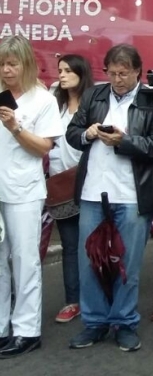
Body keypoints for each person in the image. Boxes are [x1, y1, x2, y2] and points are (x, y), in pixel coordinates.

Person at [67, 44, 153, 353]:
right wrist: (89, 133)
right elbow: (73, 132)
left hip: (132, 192)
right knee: (90, 261)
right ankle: (95, 321)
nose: (117, 79)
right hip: (92, 191)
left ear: (138, 71)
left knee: (128, 264)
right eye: (112, 73)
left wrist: (123, 142)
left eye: (123, 74)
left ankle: (125, 323)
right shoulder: (94, 96)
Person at [0, 36, 65, 358]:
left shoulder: (43, 100)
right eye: (1, 64)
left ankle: (27, 330)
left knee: (24, 260)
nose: (6, 70)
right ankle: (1, 327)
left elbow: (44, 147)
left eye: (12, 64)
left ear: (26, 63)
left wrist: (15, 127)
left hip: (23, 190)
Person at [48, 54, 95, 325]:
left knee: (93, 243)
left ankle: (97, 298)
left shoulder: (94, 103)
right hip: (60, 182)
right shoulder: (55, 104)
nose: (62, 75)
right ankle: (72, 300)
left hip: (89, 181)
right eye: (60, 70)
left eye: (67, 70)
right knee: (69, 245)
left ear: (81, 72)